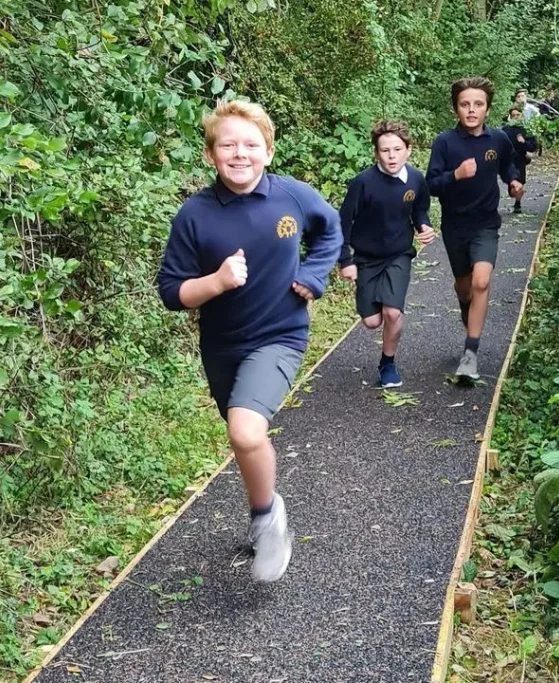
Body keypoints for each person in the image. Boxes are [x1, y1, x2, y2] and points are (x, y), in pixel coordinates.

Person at [156, 99, 341, 583]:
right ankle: (264, 509)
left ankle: (267, 518)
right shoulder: (194, 215)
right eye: (228, 145)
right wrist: (215, 282)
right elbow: (172, 292)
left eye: (251, 144)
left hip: (280, 335)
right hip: (221, 346)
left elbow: (331, 230)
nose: (240, 154)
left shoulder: (292, 198)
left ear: (268, 151)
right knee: (242, 438)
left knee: (245, 432)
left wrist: (315, 274)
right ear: (210, 154)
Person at [426, 76, 523, 380]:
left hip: (486, 224)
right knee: (465, 287)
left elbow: (507, 166)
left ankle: (470, 353)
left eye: (478, 104)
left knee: (481, 282)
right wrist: (455, 174)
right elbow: (432, 185)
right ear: (456, 109)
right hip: (455, 226)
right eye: (465, 104)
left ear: (487, 109)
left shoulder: (498, 140)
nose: (471, 110)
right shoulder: (445, 142)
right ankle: (467, 309)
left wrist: (514, 182)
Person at [338, 120, 436, 388]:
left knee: (393, 313)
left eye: (396, 149)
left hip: (399, 254)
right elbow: (344, 222)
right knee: (371, 322)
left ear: (408, 150)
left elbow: (419, 210)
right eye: (384, 151)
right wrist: (345, 260)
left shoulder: (415, 179)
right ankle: (375, 305)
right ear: (376, 153)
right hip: (366, 258)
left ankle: (388, 363)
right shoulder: (363, 183)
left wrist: (423, 226)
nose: (391, 156)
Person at [502, 107, 538, 213]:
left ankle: (518, 204)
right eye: (514, 115)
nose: (516, 117)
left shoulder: (527, 130)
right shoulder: (505, 130)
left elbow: (533, 146)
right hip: (508, 160)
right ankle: (513, 192)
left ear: (521, 116)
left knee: (520, 181)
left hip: (520, 159)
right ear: (510, 117)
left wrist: (524, 142)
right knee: (511, 183)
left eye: (518, 115)